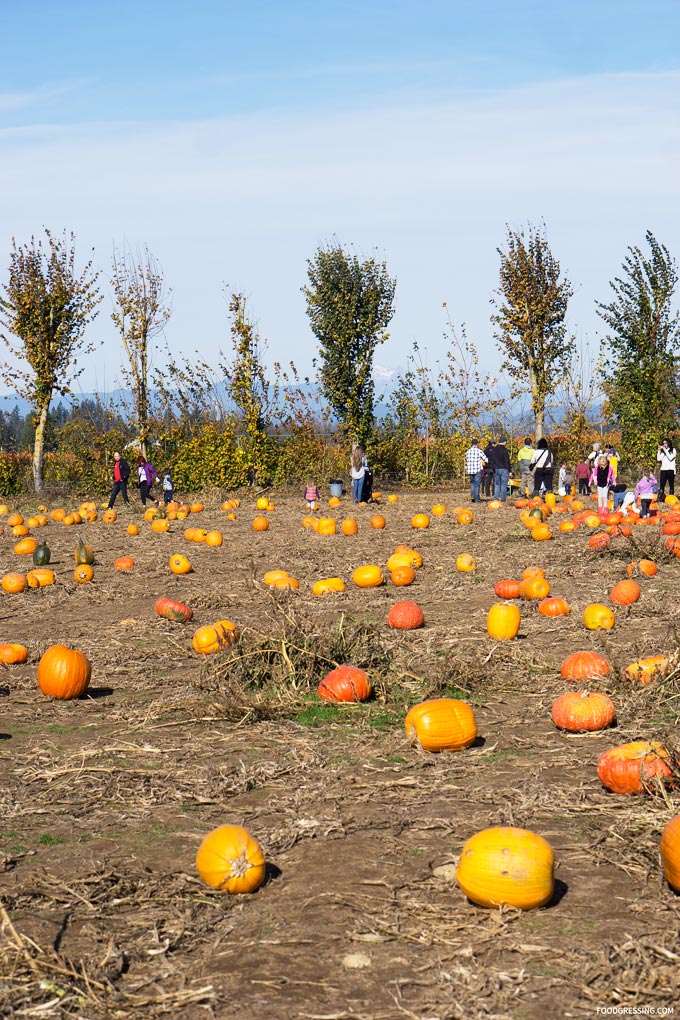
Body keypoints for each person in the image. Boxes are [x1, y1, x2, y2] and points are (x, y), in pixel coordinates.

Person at [464, 439, 488, 503]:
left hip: (470, 470)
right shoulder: (479, 451)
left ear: (471, 444)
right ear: (477, 444)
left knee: (472, 484)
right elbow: (486, 459)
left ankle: (473, 496)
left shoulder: (468, 451)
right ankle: (477, 498)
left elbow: (466, 459)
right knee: (477, 485)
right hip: (477, 470)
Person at [489, 436, 511, 503]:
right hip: (504, 469)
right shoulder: (505, 450)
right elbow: (507, 461)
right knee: (504, 485)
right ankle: (503, 499)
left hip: (496, 469)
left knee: (497, 484)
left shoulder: (494, 449)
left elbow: (491, 460)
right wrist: (510, 471)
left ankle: (496, 498)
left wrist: (493, 468)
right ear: (505, 442)